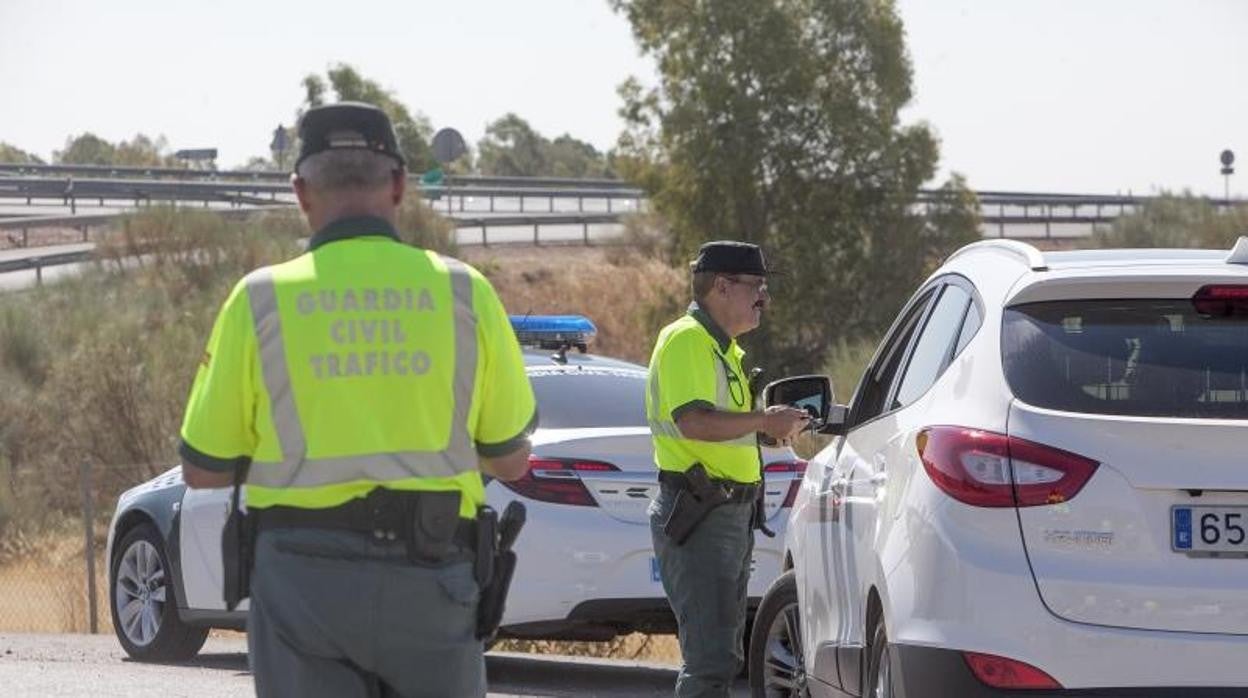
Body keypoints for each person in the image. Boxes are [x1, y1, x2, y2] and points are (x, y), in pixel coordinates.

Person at [177, 101, 537, 698]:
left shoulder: (259, 300)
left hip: (301, 588)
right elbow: (511, 459)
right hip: (434, 578)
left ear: (300, 191)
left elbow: (202, 469)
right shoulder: (463, 292)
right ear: (398, 185)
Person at [646, 240, 809, 697]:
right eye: (756, 286)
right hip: (702, 514)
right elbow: (694, 421)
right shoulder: (687, 339)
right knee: (711, 660)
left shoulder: (725, 349)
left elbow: (723, 428)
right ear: (722, 286)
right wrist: (763, 420)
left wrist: (768, 430)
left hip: (726, 515)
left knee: (722, 657)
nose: (764, 297)